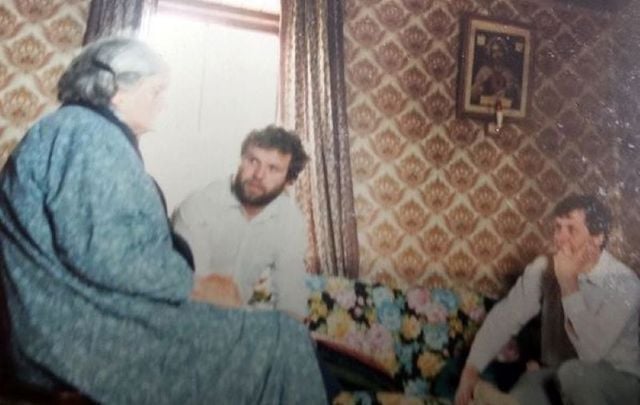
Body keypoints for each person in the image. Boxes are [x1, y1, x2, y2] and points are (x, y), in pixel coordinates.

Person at [0, 37, 330, 404]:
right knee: (283, 341)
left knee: (284, 338)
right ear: (116, 90)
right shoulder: (89, 137)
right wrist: (192, 286)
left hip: (67, 324)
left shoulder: (78, 131)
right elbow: (110, 257)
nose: (162, 104)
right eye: (155, 91)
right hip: (76, 335)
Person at [454, 194, 640, 405]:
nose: (560, 238)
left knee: (573, 374)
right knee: (530, 385)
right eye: (557, 228)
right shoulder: (543, 268)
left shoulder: (624, 282)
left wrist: (568, 283)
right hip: (557, 375)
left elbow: (591, 354)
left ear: (598, 238)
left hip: (620, 383)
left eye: (571, 229)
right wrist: (471, 370)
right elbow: (505, 317)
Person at [172, 126, 309, 318]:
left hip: (238, 322)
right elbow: (192, 289)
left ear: (288, 181)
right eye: (253, 161)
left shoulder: (289, 220)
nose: (259, 175)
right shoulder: (199, 205)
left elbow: (292, 301)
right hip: (185, 316)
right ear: (241, 160)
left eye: (273, 168)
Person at [469, 35, 521, 110]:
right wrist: (480, 87)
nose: (497, 55)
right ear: (490, 54)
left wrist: (509, 91)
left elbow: (518, 96)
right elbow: (472, 94)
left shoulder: (509, 73)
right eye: (494, 51)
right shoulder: (483, 71)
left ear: (504, 53)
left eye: (500, 51)